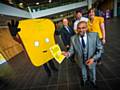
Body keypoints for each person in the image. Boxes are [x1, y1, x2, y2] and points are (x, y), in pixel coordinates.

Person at [62, 21, 103, 88]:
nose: (81, 30)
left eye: (83, 28)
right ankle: (85, 81)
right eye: (79, 28)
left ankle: (93, 82)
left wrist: (93, 58)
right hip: (80, 60)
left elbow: (100, 49)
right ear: (77, 29)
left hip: (91, 60)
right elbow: (72, 50)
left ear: (86, 28)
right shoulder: (73, 38)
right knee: (83, 72)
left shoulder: (94, 35)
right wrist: (67, 54)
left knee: (92, 71)